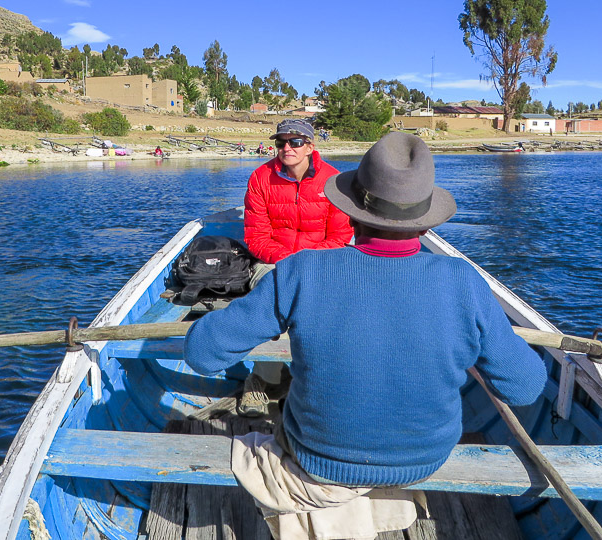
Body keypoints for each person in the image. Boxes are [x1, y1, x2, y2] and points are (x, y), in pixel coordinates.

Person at [185, 133, 546, 530]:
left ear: (351, 214)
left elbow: (202, 353)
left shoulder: (303, 271)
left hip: (318, 456)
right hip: (424, 458)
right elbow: (525, 386)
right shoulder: (463, 281)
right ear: (425, 225)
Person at [238, 118, 354, 416]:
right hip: (274, 262)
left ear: (311, 147)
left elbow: (340, 238)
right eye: (281, 142)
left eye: (295, 142)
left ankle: (318, 377)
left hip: (322, 263)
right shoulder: (260, 178)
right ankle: (264, 379)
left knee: (333, 306)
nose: (287, 148)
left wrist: (306, 262)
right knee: (272, 298)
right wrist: (288, 262)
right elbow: (256, 237)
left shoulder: (334, 181)